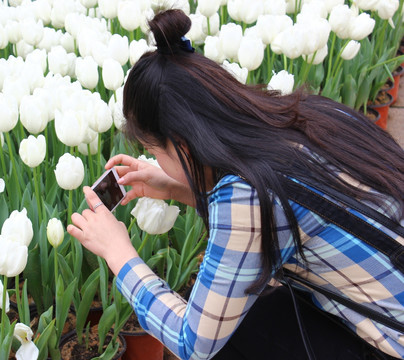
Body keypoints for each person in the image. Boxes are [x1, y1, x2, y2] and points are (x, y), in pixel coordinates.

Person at [66, 9, 404, 360]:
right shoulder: (310, 117)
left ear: (182, 145)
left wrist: (119, 253)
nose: (155, 160)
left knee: (228, 340)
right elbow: (288, 218)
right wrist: (176, 187)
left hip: (392, 342)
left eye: (154, 150)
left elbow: (192, 343)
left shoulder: (248, 196)